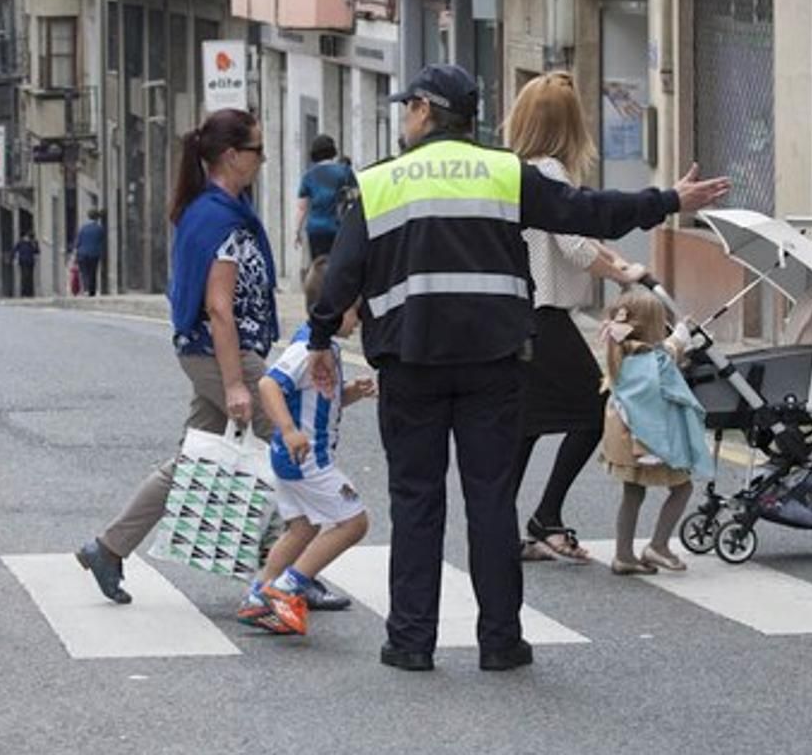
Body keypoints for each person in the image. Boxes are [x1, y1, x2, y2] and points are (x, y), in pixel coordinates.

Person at [306, 63, 730, 673]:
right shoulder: (505, 173)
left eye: (408, 108)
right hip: (493, 364)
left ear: (426, 111)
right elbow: (587, 212)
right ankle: (500, 642)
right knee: (490, 502)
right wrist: (666, 201)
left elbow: (342, 273)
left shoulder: (380, 183)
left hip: (412, 363)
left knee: (417, 502)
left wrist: (322, 338)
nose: (404, 118)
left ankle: (411, 642)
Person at [75, 109, 351, 612]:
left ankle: (108, 548)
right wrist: (236, 384)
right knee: (292, 444)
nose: (263, 160)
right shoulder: (217, 217)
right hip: (220, 353)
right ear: (231, 156)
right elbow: (219, 308)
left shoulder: (221, 209)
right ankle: (292, 575)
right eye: (256, 151)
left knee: (195, 459)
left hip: (217, 352)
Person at [502, 72, 647, 564]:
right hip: (545, 315)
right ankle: (544, 518)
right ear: (570, 127)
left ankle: (500, 525)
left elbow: (575, 230)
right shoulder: (550, 172)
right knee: (592, 410)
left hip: (519, 315)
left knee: (524, 422)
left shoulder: (516, 171)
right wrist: (622, 270)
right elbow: (573, 243)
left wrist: (610, 256)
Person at [236, 260, 376, 636]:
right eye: (354, 309)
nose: (359, 318)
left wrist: (351, 394)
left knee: (302, 529)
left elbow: (318, 402)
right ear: (332, 307)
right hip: (307, 458)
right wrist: (288, 429)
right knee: (354, 522)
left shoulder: (323, 345)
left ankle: (258, 594)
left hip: (292, 457)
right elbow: (268, 385)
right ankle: (286, 588)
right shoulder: (307, 348)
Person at [598, 288, 713, 575]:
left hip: (623, 440)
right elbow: (669, 353)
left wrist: (679, 339)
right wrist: (683, 335)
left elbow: (666, 352)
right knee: (682, 487)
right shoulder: (654, 362)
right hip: (647, 443)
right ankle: (658, 545)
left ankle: (624, 554)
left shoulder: (621, 355)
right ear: (652, 326)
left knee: (633, 493)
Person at [295, 135, 357, 264]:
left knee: (319, 267)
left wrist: (297, 231)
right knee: (338, 265)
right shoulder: (345, 171)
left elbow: (302, 207)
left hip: (315, 229)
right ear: (333, 151)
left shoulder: (308, 176)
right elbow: (356, 197)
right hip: (339, 227)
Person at [74, 209, 108, 296]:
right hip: (94, 254)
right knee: (93, 272)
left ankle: (86, 289)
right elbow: (102, 241)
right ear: (97, 218)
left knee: (84, 272)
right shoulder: (99, 229)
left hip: (82, 253)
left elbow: (77, 242)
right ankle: (92, 290)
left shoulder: (83, 228)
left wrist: (75, 253)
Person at [13, 231, 40, 298]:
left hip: (30, 262)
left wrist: (35, 244)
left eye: (28, 237)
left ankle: (30, 293)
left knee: (30, 277)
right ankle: (24, 293)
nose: (27, 238)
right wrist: (13, 258)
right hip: (23, 262)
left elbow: (37, 251)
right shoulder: (21, 243)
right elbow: (15, 250)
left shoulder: (33, 243)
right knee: (25, 277)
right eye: (26, 237)